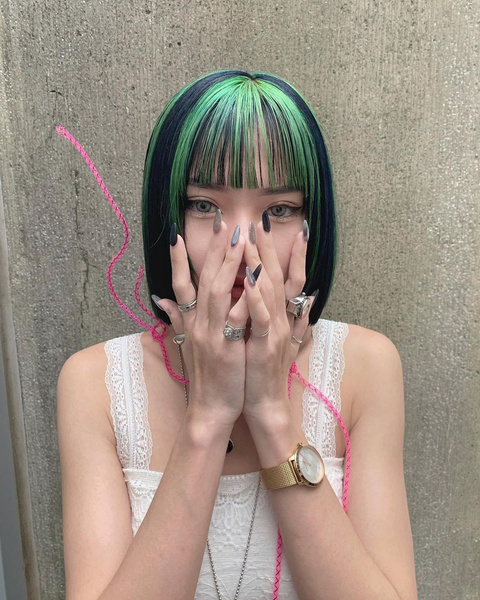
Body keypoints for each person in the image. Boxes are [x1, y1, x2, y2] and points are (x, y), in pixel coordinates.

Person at [57, 69, 418, 600]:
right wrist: (207, 416)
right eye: (205, 206)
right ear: (168, 217)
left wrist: (272, 413)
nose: (244, 243)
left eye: (279, 210)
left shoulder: (367, 367)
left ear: (313, 224)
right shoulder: (95, 385)